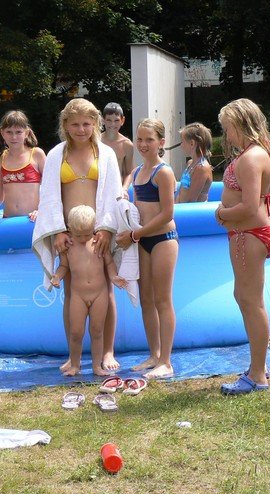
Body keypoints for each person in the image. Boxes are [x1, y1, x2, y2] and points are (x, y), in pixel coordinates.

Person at [32, 98, 122, 374]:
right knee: (72, 292)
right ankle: (74, 358)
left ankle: (107, 351)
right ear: (65, 125)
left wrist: (106, 228)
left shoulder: (105, 154)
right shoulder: (56, 155)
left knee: (105, 288)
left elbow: (114, 192)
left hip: (99, 231)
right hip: (69, 233)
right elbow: (49, 194)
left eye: (86, 124)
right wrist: (58, 230)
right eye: (75, 124)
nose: (81, 129)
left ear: (95, 124)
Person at [215, 98, 270, 395]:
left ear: (241, 124)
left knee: (250, 301)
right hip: (256, 232)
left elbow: (247, 206)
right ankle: (257, 366)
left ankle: (257, 374)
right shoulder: (267, 152)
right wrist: (260, 209)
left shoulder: (249, 158)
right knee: (246, 297)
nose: (226, 134)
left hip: (248, 234)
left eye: (227, 128)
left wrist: (222, 214)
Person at [115, 118, 178, 380]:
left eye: (149, 140)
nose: (143, 144)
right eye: (139, 139)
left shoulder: (163, 172)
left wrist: (134, 235)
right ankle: (154, 354)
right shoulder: (139, 171)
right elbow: (135, 204)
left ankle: (166, 361)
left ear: (161, 142)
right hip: (142, 240)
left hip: (163, 240)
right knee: (146, 301)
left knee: (162, 300)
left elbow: (167, 214)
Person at [50, 205, 127, 376]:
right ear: (70, 229)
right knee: (76, 332)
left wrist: (114, 277)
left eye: (87, 234)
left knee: (97, 331)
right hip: (78, 295)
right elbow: (64, 266)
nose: (83, 238)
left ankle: (96, 366)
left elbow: (109, 263)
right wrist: (57, 277)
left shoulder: (98, 243)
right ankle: (75, 365)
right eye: (78, 235)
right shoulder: (68, 246)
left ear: (94, 227)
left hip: (99, 294)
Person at [175, 122, 213, 203]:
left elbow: (191, 200)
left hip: (194, 210)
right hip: (182, 207)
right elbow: (181, 190)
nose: (181, 146)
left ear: (192, 143)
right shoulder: (190, 163)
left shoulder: (201, 168)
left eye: (182, 142)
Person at [101, 102, 134, 194]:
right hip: (98, 190)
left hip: (117, 191)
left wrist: (124, 188)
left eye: (116, 120)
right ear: (103, 120)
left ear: (122, 121)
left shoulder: (127, 145)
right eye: (109, 120)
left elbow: (129, 172)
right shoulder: (96, 141)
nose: (112, 124)